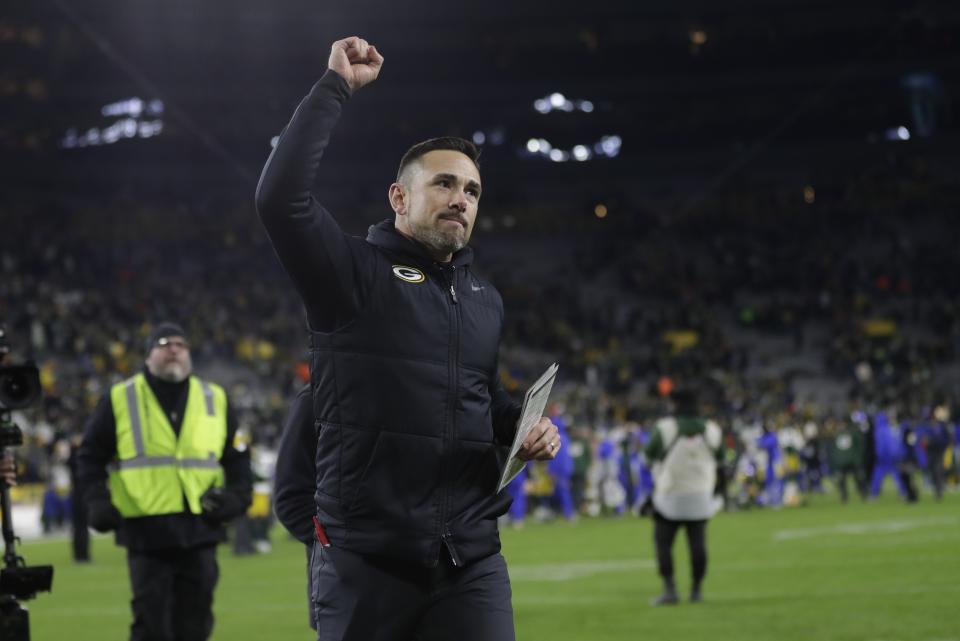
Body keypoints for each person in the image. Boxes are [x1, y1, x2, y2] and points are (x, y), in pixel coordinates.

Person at [256, 36, 561, 641]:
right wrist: (333, 88)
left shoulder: (484, 300)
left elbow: (484, 400)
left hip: (470, 559)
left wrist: (522, 428)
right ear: (399, 198)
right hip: (366, 565)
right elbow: (280, 200)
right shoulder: (352, 274)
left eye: (472, 191)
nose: (460, 200)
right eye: (444, 184)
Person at [77, 322, 252, 641]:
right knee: (151, 628)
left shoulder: (215, 397)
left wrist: (238, 498)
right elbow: (89, 456)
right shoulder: (120, 398)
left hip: (200, 529)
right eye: (164, 343)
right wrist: (97, 501)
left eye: (181, 344)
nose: (174, 349)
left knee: (195, 627)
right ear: (148, 355)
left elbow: (238, 458)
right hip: (146, 533)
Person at [644, 389, 724, 606]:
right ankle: (696, 590)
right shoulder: (712, 430)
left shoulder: (665, 428)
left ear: (675, 404)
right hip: (701, 496)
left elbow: (648, 455)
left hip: (669, 497)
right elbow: (722, 459)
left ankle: (670, 589)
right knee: (698, 544)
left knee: (663, 544)